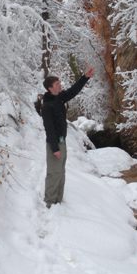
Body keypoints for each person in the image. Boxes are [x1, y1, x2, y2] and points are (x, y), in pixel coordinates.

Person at [41, 67, 94, 208]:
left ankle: (58, 200)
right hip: (55, 145)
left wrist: (85, 77)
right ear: (49, 88)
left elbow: (73, 91)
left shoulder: (59, 98)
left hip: (62, 142)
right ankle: (50, 203)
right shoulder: (47, 106)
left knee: (61, 172)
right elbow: (49, 129)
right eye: (57, 84)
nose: (60, 85)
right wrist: (54, 148)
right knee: (54, 173)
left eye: (60, 83)